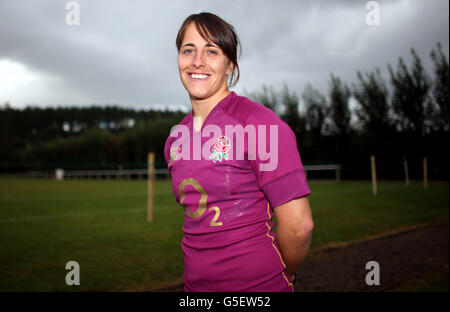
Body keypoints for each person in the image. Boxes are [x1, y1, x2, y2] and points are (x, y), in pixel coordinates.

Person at [164, 12, 313, 292]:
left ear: (229, 64)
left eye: (211, 51)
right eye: (188, 50)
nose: (198, 61)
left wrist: (284, 276)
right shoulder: (175, 140)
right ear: (179, 59)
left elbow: (299, 226)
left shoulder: (260, 124)